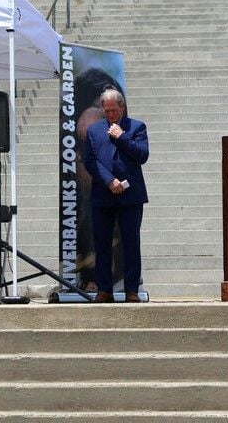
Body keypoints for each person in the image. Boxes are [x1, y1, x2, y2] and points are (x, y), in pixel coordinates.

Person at [82, 89, 149, 303]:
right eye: (107, 110)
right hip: (104, 193)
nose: (110, 114)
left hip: (131, 196)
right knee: (102, 243)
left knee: (131, 243)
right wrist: (109, 180)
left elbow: (142, 155)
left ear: (122, 107)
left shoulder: (137, 127)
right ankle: (104, 290)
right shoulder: (94, 131)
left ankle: (131, 290)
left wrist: (122, 138)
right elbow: (90, 161)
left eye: (114, 110)